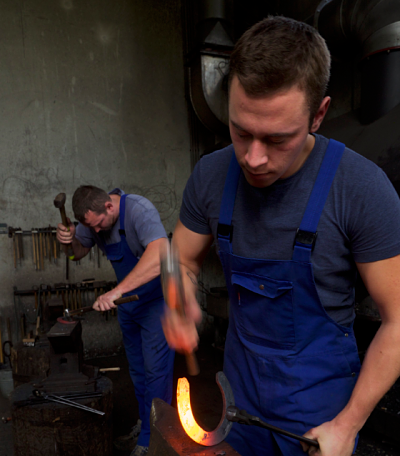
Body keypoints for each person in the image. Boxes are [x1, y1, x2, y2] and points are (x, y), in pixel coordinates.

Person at [162, 15, 400, 456]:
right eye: (241, 131)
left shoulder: (360, 189)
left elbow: (398, 319)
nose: (253, 158)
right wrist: (178, 297)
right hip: (238, 396)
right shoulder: (211, 176)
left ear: (319, 114)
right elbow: (182, 258)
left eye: (276, 139)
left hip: (320, 414)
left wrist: (347, 426)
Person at [56, 186, 174, 456]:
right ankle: (146, 426)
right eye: (90, 227)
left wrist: (116, 291)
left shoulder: (138, 211)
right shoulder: (93, 220)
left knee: (157, 376)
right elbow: (76, 254)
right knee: (138, 374)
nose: (95, 232)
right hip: (128, 308)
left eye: (97, 226)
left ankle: (154, 441)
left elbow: (160, 256)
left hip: (157, 304)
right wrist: (66, 241)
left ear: (109, 207)